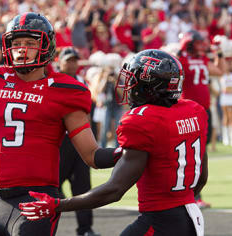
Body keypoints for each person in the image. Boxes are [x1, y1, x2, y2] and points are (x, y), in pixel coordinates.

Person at [0, 12, 122, 236]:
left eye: (30, 43)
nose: (21, 49)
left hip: (36, 199)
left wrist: (124, 152)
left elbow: (91, 156)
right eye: (16, 43)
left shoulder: (65, 90)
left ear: (46, 46)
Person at [19, 49, 209, 236]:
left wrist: (57, 205)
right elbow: (200, 178)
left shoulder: (143, 121)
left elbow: (114, 190)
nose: (130, 86)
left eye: (133, 80)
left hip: (159, 221)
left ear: (148, 86)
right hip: (190, 217)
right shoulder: (194, 110)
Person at [178, 29, 224, 209]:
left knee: (199, 154)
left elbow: (220, 71)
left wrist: (218, 53)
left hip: (203, 110)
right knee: (190, 154)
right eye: (197, 42)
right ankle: (191, 195)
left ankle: (195, 195)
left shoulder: (201, 59)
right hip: (188, 111)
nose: (200, 45)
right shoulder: (180, 60)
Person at [57, 47, 100, 236]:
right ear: (60, 62)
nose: (72, 64)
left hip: (79, 141)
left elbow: (88, 113)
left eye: (75, 60)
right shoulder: (54, 82)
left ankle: (85, 229)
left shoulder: (82, 82)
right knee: (50, 186)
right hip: (61, 142)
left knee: (83, 188)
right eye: (68, 60)